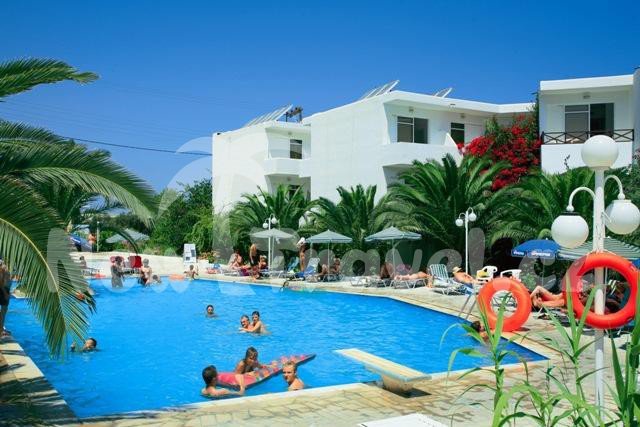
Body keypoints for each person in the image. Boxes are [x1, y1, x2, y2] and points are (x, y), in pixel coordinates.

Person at [0, 260, 12, 338]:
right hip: (4, 292)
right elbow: (1, 284)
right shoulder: (4, 269)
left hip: (5, 291)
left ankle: (1, 331)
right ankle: (1, 332)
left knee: (3, 314)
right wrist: (5, 294)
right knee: (3, 314)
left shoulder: (4, 269)